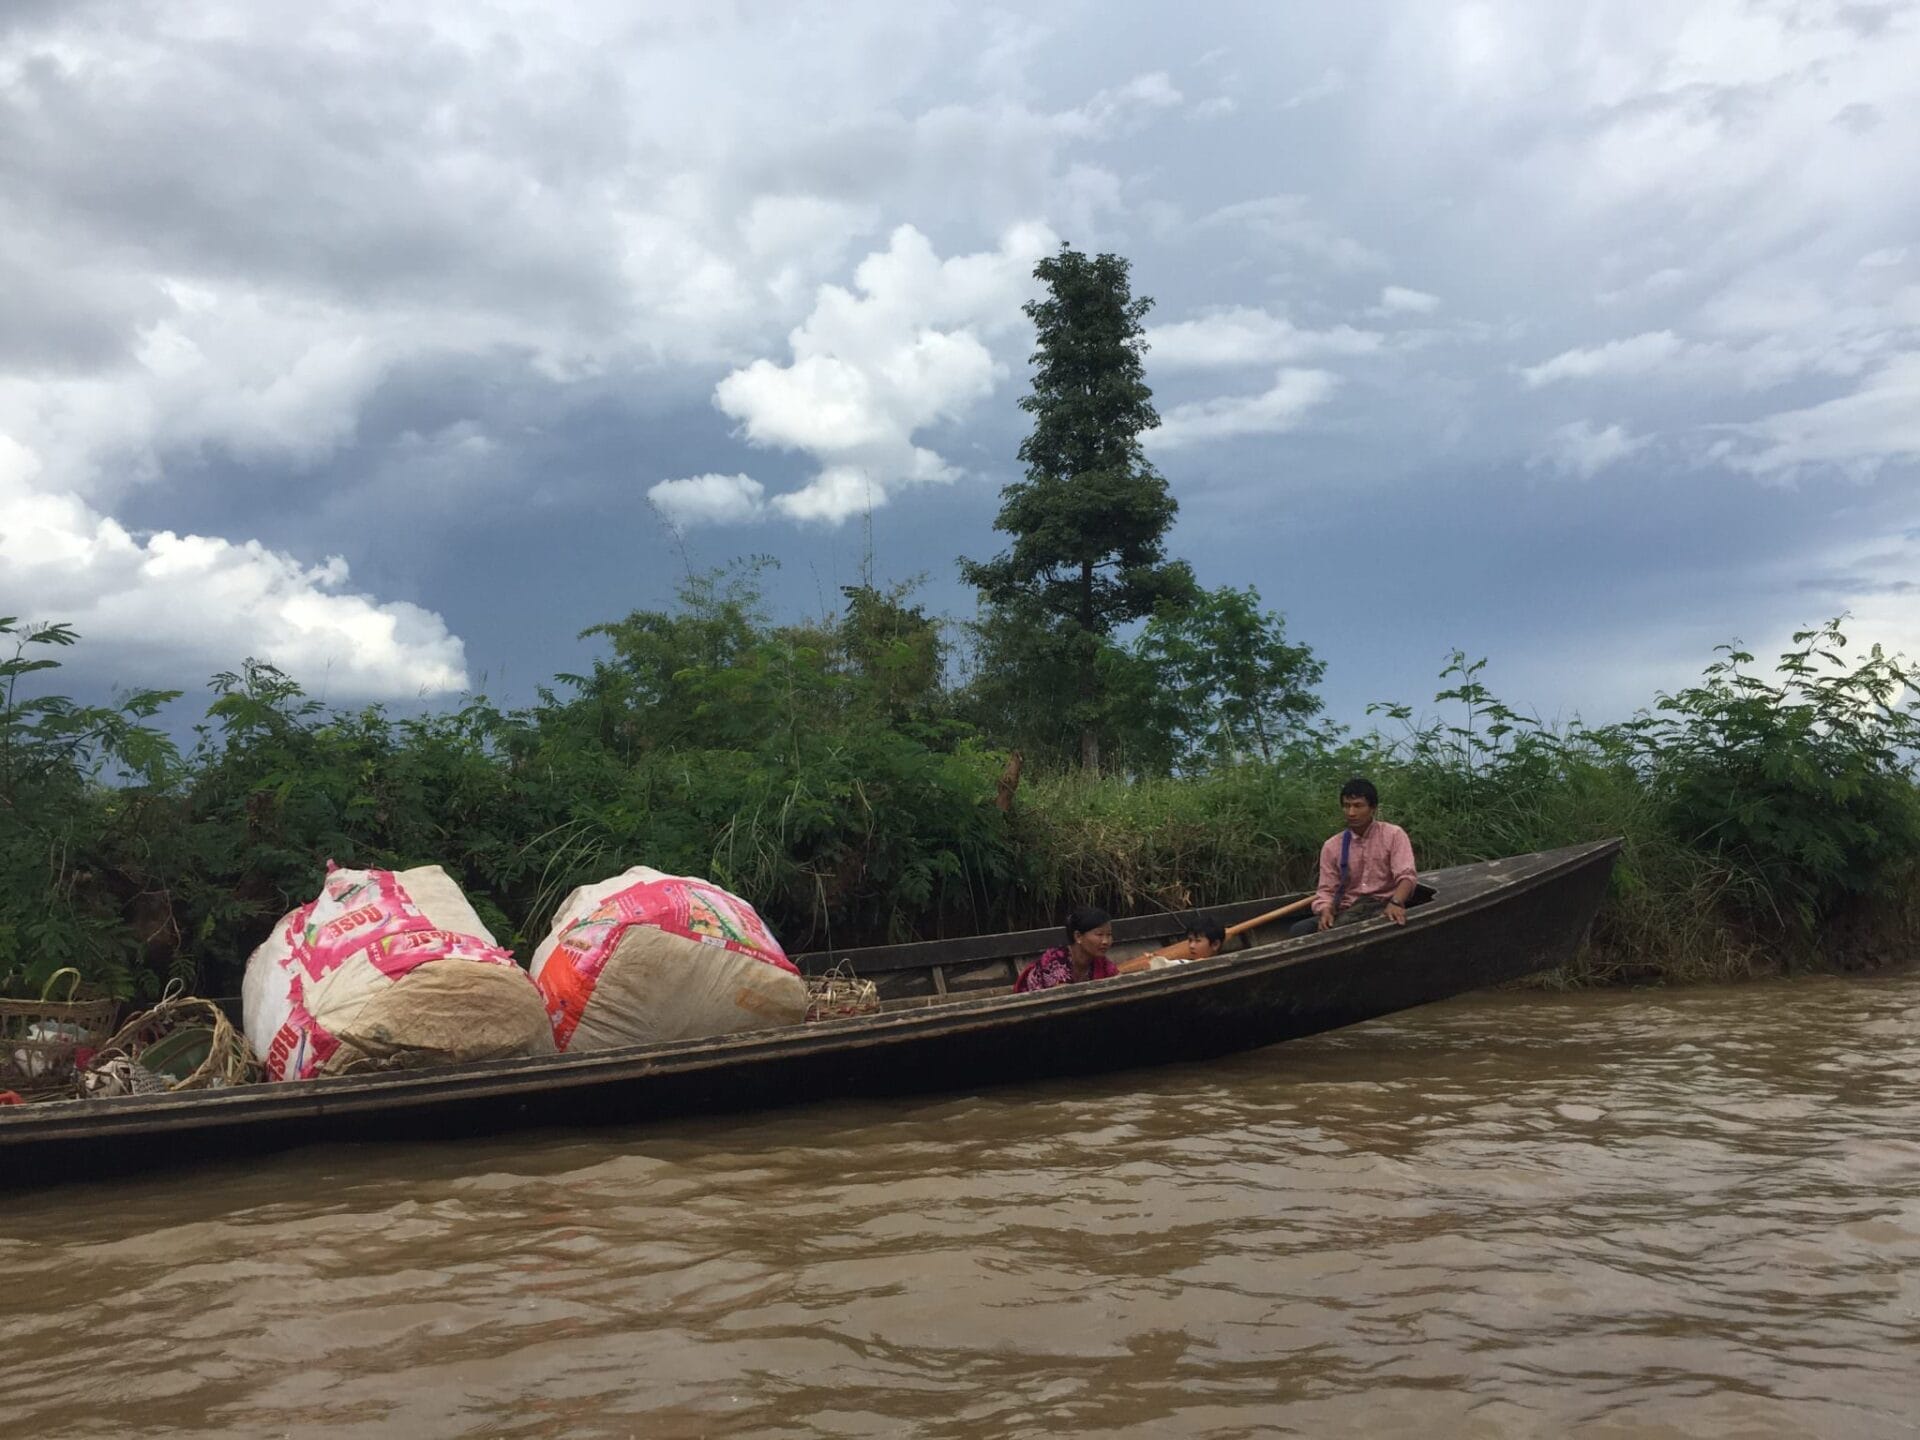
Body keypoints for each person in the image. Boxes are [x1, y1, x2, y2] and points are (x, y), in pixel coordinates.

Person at [1288, 778, 1418, 937]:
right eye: (1346, 806)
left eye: (1358, 806)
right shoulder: (1332, 846)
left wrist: (1396, 903)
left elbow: (1407, 876)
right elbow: (1326, 890)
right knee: (1299, 930)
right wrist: (1326, 910)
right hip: (1348, 910)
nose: (1351, 813)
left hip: (1383, 906)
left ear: (1373, 808)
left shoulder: (1393, 835)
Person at [1014, 905, 1120, 992]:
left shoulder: (1101, 962)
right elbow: (1062, 994)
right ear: (1078, 936)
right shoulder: (1055, 959)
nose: (1106, 941)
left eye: (1109, 935)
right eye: (1099, 934)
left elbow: (1119, 980)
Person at [1114, 914, 1228, 974]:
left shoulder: (1224, 964)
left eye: (1197, 941)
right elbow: (1168, 964)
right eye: (1190, 940)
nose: (1191, 945)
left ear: (1215, 945)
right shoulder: (1182, 963)